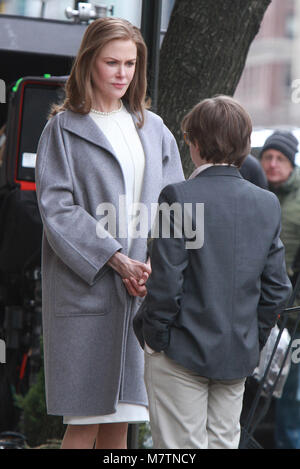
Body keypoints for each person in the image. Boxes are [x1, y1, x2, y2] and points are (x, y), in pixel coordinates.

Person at [35, 17, 184, 449]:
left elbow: (174, 205)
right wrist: (115, 258)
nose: (122, 74)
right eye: (111, 63)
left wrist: (158, 263)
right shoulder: (62, 130)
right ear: (88, 63)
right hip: (89, 289)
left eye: (131, 64)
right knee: (84, 422)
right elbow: (57, 210)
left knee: (122, 424)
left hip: (140, 291)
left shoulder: (154, 129)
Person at [133, 96, 292, 449]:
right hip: (237, 352)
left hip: (179, 348)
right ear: (244, 145)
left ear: (195, 143)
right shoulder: (266, 203)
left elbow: (167, 278)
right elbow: (277, 288)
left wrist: (156, 338)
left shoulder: (178, 196)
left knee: (180, 449)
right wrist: (253, 337)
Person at [259, 130, 300, 449]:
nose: (272, 164)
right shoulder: (254, 191)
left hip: (294, 311)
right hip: (260, 307)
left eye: (280, 159)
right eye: (268, 157)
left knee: (292, 393)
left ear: (291, 163)